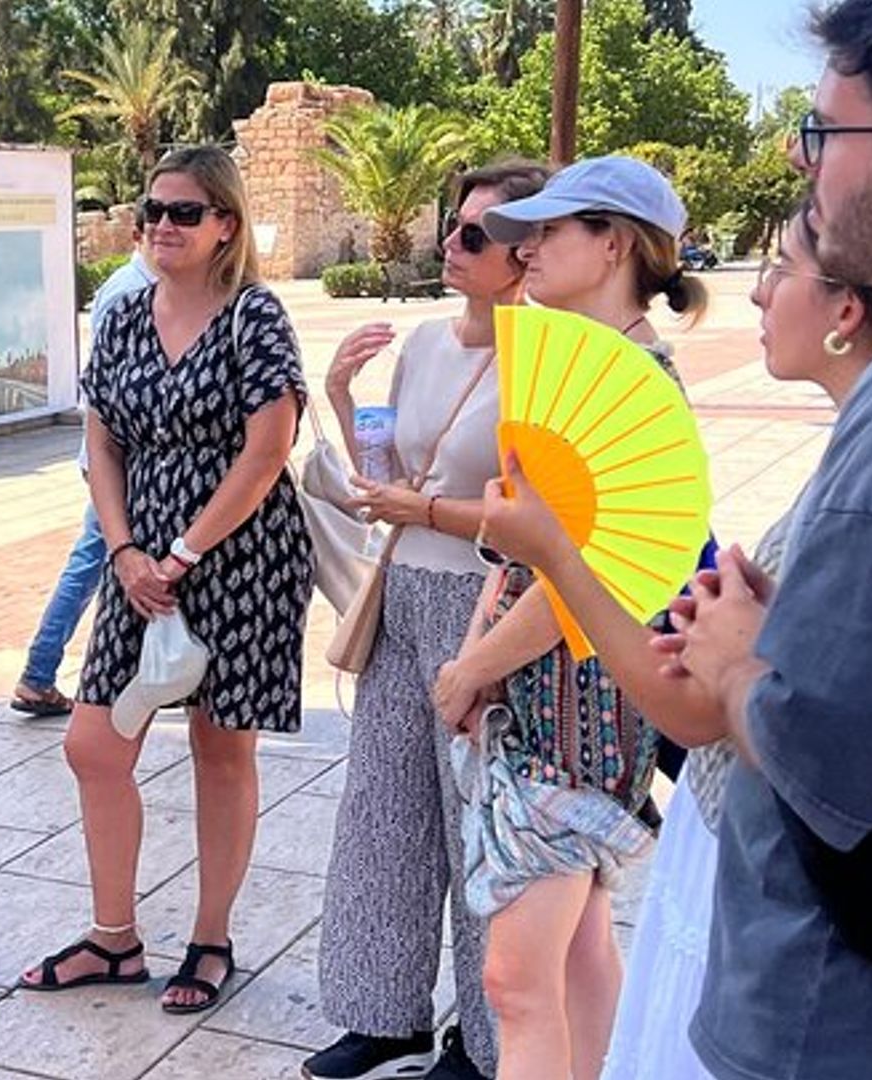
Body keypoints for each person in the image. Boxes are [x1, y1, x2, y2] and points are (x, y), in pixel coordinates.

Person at [473, 206, 872, 1080]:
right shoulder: (870, 447)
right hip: (714, 804)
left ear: (846, 313)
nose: (755, 291)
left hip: (644, 758)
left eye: (779, 269)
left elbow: (698, 692)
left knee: (531, 981)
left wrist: (526, 591)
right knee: (586, 963)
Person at [663, 1, 872, 1075]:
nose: (808, 169)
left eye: (823, 135)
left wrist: (734, 665)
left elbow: (842, 766)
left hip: (846, 1021)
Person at [17, 145, 312, 1014]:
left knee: (221, 749)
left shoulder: (254, 315)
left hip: (241, 554)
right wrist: (122, 551)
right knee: (93, 744)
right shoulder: (123, 316)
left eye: (185, 212)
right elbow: (102, 440)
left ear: (226, 224)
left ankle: (211, 938)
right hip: (137, 559)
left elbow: (268, 451)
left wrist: (181, 554)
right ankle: (114, 940)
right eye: (152, 210)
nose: (162, 227)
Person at [430, 155, 705, 1080]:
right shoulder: (592, 376)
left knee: (515, 981)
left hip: (577, 717)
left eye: (550, 231)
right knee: (581, 952)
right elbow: (520, 550)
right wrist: (476, 658)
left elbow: (577, 579)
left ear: (615, 244)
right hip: (549, 704)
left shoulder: (632, 389)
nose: (527, 248)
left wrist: (475, 668)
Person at [305, 159, 550, 1080]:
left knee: (473, 819)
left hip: (481, 599)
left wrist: (432, 514)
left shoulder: (548, 360)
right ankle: (382, 1010)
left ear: (528, 254)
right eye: (454, 224)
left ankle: (488, 1043)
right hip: (401, 587)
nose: (452, 243)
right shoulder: (426, 343)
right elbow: (390, 473)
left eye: (475, 235)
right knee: (382, 806)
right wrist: (336, 394)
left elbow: (541, 518)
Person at [10, 222, 156, 718]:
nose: (167, 232)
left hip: (119, 460)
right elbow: (109, 398)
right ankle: (40, 671)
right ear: (138, 234)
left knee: (96, 560)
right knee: (97, 561)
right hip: (120, 462)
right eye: (158, 220)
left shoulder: (138, 287)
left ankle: (42, 671)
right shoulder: (132, 293)